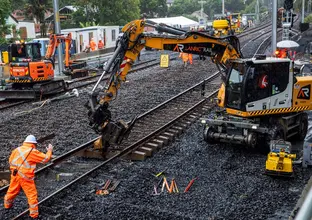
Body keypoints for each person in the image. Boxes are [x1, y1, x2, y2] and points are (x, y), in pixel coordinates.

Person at [4, 135, 53, 219]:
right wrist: (49, 150)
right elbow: (46, 159)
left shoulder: (17, 150)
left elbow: (10, 161)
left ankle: (7, 206)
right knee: (31, 195)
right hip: (26, 178)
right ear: (33, 144)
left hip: (15, 175)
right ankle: (34, 215)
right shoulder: (32, 151)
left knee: (12, 191)